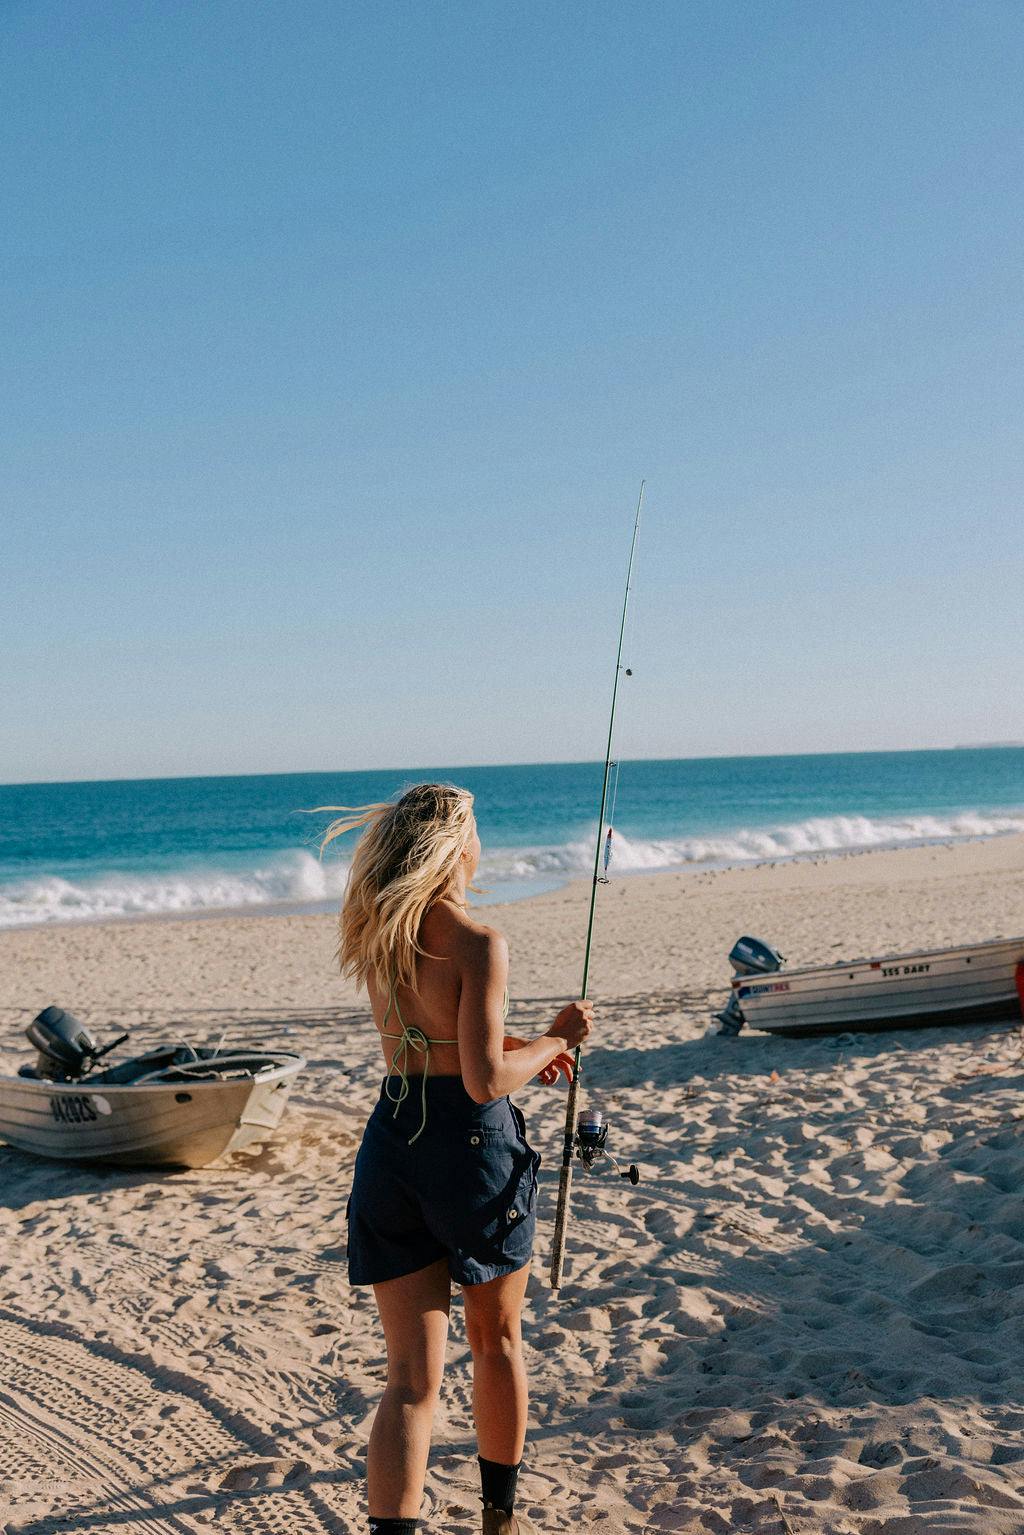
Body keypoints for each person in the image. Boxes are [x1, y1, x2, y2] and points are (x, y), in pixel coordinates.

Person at [320, 782, 593, 1535]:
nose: (480, 848)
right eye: (475, 834)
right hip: (470, 1152)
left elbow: (435, 1039)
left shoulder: (379, 931)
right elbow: (480, 1081)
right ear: (455, 846)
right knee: (496, 1341)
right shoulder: (477, 941)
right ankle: (498, 1522)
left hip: (392, 1145)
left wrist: (519, 1048)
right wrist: (557, 1038)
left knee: (409, 1379)